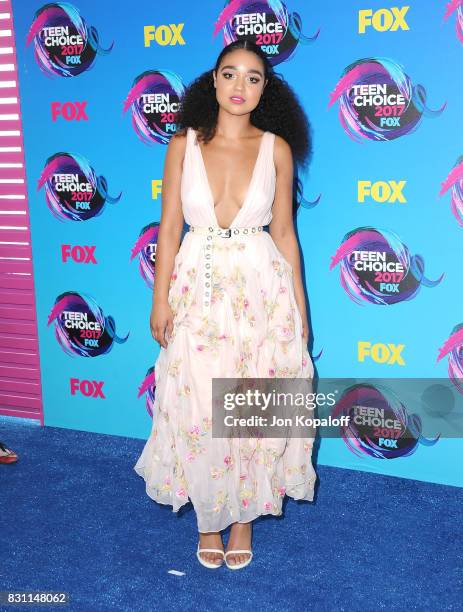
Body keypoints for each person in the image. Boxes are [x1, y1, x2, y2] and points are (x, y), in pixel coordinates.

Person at [134, 39, 316, 570]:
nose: (240, 86)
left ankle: (243, 518)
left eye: (253, 77)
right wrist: (158, 299)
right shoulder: (182, 144)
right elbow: (169, 228)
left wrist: (300, 311)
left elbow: (284, 233)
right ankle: (210, 519)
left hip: (263, 290)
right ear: (211, 82)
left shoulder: (276, 148)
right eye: (230, 74)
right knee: (198, 403)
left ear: (265, 89)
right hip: (198, 286)